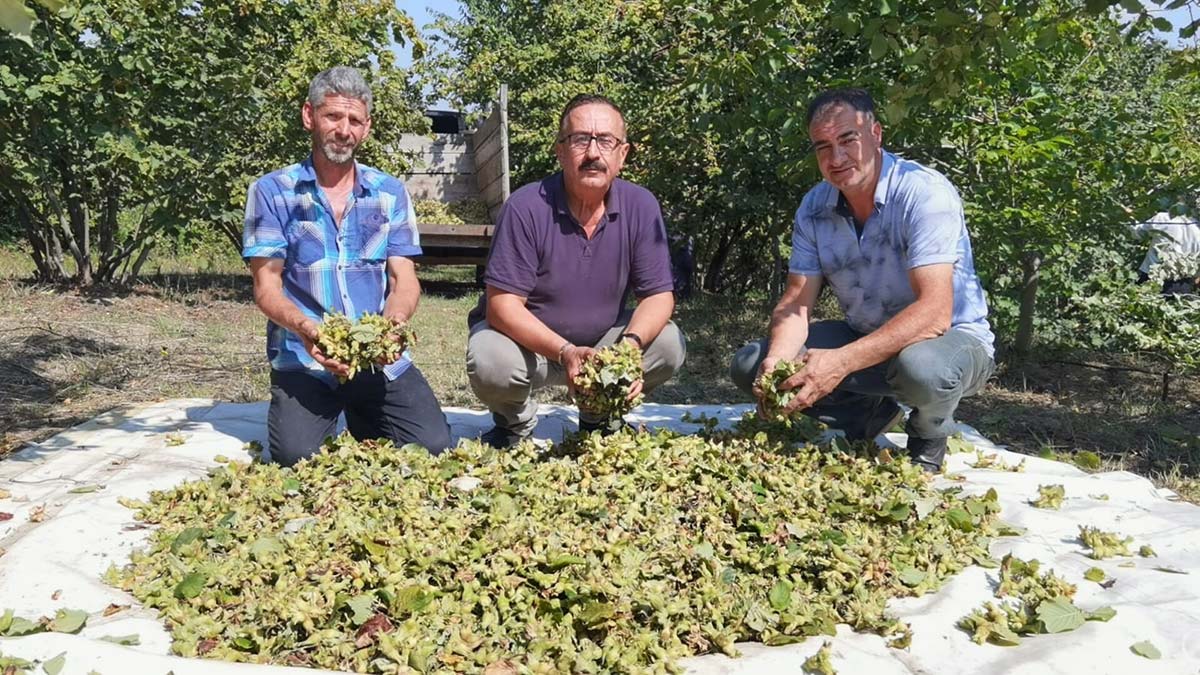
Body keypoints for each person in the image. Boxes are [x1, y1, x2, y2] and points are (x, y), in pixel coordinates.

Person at [729, 88, 994, 472]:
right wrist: (777, 359)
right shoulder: (814, 207)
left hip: (949, 340)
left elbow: (936, 312)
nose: (836, 158)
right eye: (823, 146)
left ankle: (928, 434)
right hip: (866, 334)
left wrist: (840, 363)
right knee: (750, 364)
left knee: (922, 369)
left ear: (876, 134)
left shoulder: (923, 193)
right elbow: (797, 302)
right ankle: (866, 415)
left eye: (847, 140)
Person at [242, 66, 451, 466]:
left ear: (366, 127)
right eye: (333, 116)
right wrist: (306, 329)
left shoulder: (389, 192)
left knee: (434, 446)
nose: (344, 130)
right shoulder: (272, 191)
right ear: (309, 116)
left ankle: (362, 411)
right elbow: (266, 286)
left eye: (354, 120)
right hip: (305, 358)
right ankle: (337, 411)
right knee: (298, 456)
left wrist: (393, 325)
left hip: (375, 358)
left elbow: (403, 278)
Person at [466, 94, 687, 447]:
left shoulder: (641, 206)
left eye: (606, 141)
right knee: (490, 360)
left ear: (623, 154)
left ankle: (599, 415)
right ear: (560, 150)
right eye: (581, 139)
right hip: (531, 348)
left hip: (603, 344)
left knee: (668, 343)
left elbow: (659, 295)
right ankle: (514, 422)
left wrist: (628, 348)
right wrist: (566, 351)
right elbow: (502, 305)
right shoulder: (526, 207)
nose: (593, 153)